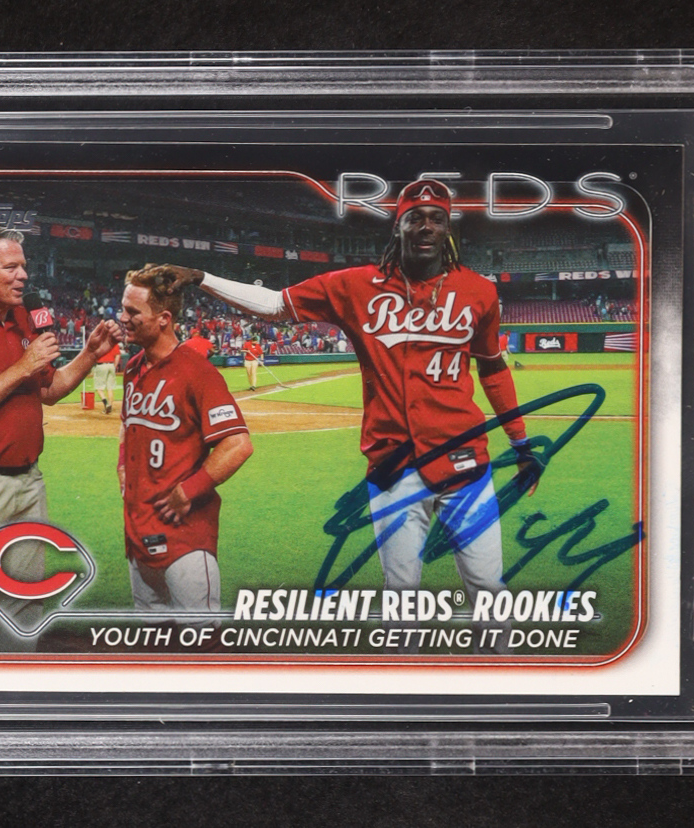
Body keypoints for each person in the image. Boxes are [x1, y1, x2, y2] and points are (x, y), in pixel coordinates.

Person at [144, 180, 543, 651]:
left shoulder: (478, 291)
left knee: (489, 590)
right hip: (395, 467)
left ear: (448, 228)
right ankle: (408, 691)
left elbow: (493, 370)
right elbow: (274, 305)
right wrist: (202, 277)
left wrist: (520, 443)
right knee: (402, 598)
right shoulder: (355, 286)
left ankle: (499, 681)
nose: (426, 227)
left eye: (437, 218)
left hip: (466, 463)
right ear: (398, 227)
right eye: (415, 218)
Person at [0, 228, 121, 652]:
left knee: (25, 603)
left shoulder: (24, 317)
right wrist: (22, 367)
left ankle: (13, 683)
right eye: (11, 267)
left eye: (24, 266)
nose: (23, 275)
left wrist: (89, 355)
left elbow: (49, 390)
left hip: (28, 483)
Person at [117, 268, 254, 624]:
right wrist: (122, 464)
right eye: (122, 309)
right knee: (151, 642)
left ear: (164, 319)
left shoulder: (198, 371)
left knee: (201, 642)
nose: (122, 318)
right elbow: (127, 424)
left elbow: (237, 444)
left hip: (186, 538)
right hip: (138, 531)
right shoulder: (134, 368)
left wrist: (188, 491)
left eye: (132, 312)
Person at [93, 340, 120, 414]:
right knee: (110, 388)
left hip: (101, 365)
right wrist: (114, 366)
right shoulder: (113, 342)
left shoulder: (99, 342)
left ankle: (106, 403)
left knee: (99, 388)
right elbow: (117, 355)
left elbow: (93, 355)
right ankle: (110, 406)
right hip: (111, 365)